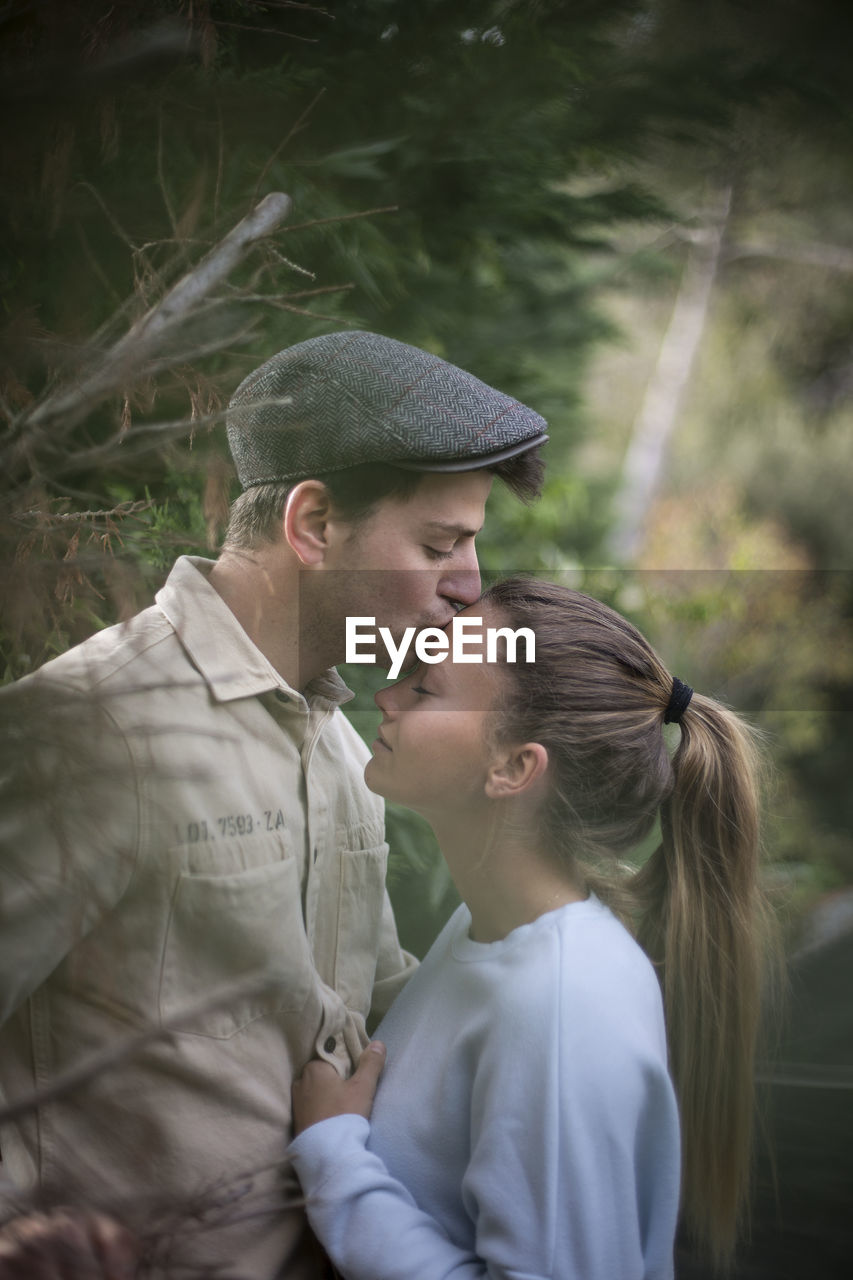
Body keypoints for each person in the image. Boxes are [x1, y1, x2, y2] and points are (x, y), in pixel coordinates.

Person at [0, 331, 547, 1278]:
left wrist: (567, 972)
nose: (467, 584)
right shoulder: (92, 730)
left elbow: (361, 1017)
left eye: (472, 544)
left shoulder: (341, 744)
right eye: (438, 543)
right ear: (313, 523)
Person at [290, 577, 772, 1280]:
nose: (387, 696)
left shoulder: (560, 1005)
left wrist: (334, 1154)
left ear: (514, 768)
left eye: (425, 689)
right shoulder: (485, 930)